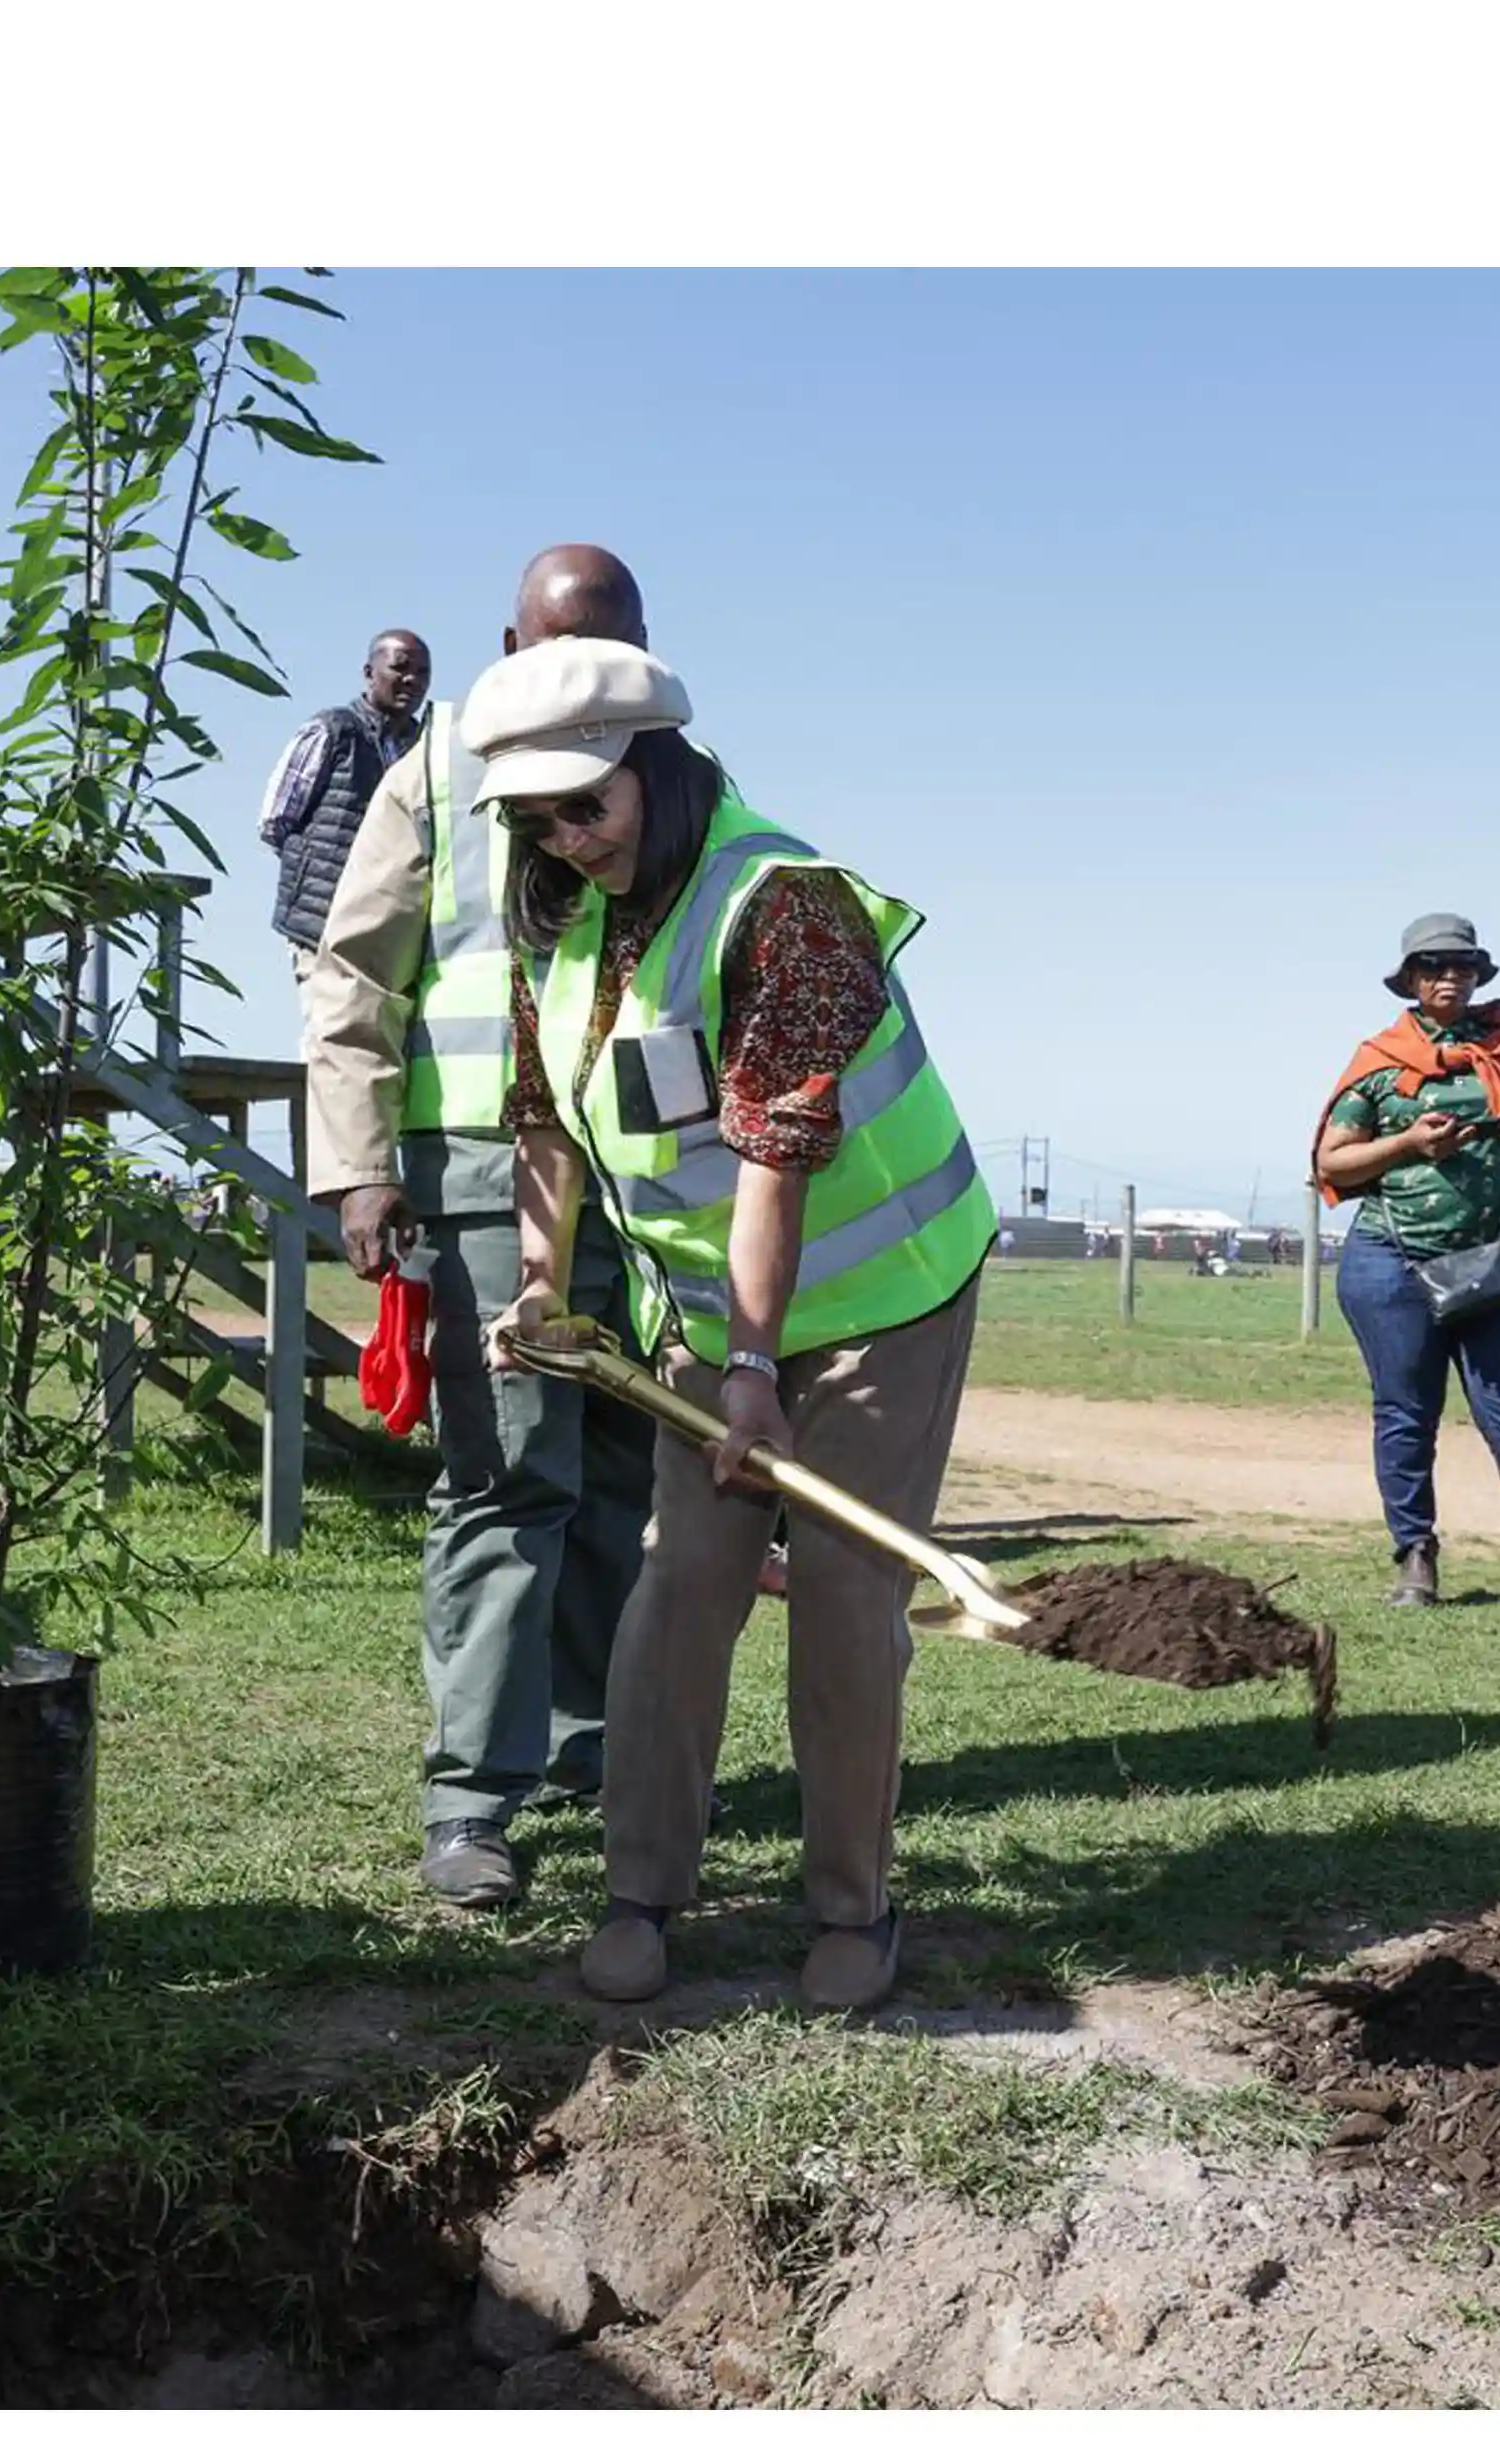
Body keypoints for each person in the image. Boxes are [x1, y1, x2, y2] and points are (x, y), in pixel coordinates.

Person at [477, 638, 996, 2017]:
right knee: (681, 1583)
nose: (566, 840)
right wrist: (543, 1286)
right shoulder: (565, 923)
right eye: (536, 820)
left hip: (884, 1301)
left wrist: (759, 1374)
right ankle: (640, 1889)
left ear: (656, 765)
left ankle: (853, 1910)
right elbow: (547, 1120)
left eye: (585, 806)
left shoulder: (786, 905)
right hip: (715, 1319)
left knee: (839, 1592)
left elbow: (775, 1157)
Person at [297, 554, 661, 1909]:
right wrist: (357, 1170)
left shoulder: (670, 766)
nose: (576, 680)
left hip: (639, 1182)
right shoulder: (438, 769)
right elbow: (355, 972)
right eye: (553, 650)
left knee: (623, 1476)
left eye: (608, 651)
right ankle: (474, 1803)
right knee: (510, 1478)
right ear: (508, 642)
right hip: (481, 1174)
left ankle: (594, 1743)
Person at [1315, 914, 1500, 1621]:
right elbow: (1331, 1163)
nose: (1449, 978)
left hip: (1492, 1262)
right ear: (1409, 979)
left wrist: (1498, 1214)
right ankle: (1415, 1556)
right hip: (1391, 1263)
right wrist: (1408, 1146)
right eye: (1434, 967)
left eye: (1462, 967)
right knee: (1406, 1414)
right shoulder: (1380, 1062)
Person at [259, 629, 434, 972]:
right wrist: (325, 875)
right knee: (331, 1023)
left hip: (390, 928)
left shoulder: (425, 747)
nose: (412, 679)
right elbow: (275, 820)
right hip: (322, 925)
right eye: (400, 668)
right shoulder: (333, 730)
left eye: (423, 672)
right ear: (369, 673)